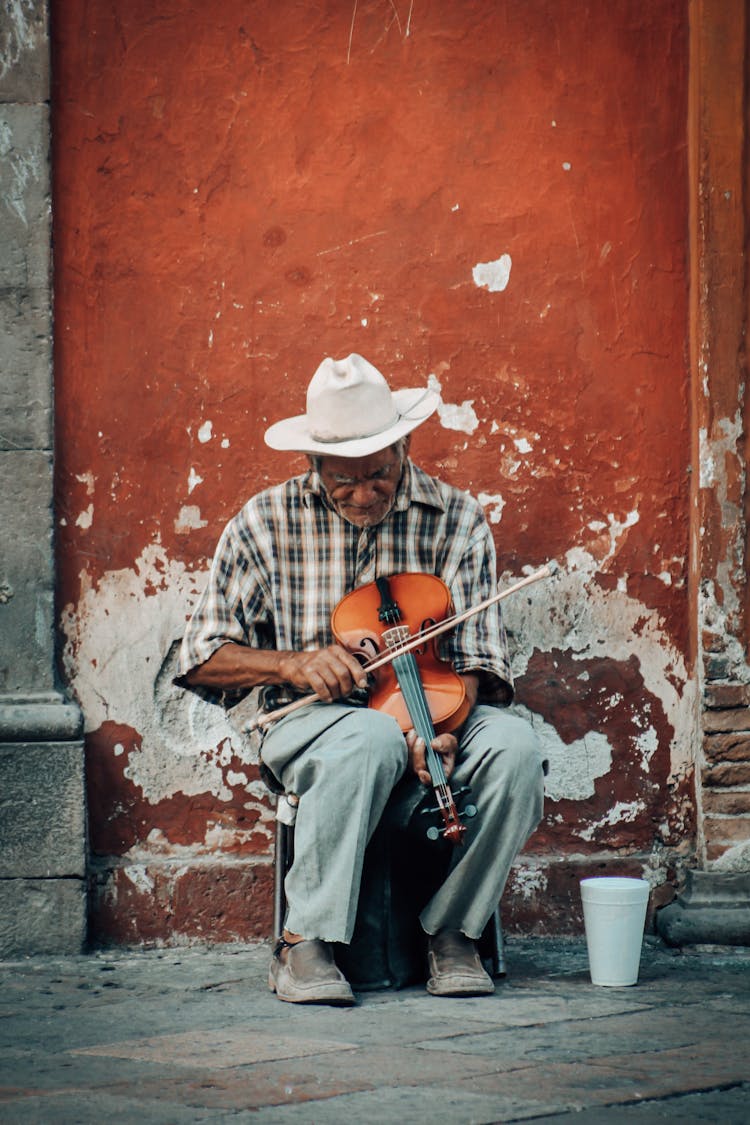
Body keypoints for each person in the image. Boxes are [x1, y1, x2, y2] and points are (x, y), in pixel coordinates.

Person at [176, 353, 545, 1005]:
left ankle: (453, 931)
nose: (366, 494)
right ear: (312, 464)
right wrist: (290, 663)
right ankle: (304, 942)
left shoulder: (456, 518)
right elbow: (202, 655)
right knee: (371, 736)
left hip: (440, 708)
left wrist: (443, 725)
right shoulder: (263, 523)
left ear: (404, 445)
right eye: (344, 481)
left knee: (515, 748)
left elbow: (484, 663)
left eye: (380, 474)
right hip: (305, 722)